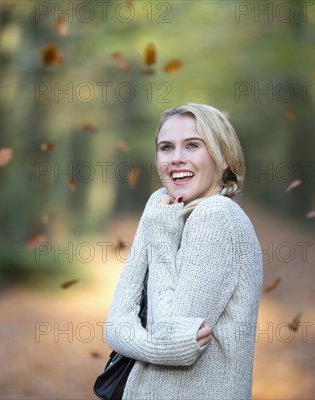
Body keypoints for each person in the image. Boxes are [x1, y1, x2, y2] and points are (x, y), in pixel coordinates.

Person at [104, 103, 263, 399]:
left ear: (225, 157)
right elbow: (114, 326)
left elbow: (170, 337)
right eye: (166, 148)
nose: (176, 158)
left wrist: (162, 236)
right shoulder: (162, 208)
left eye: (192, 145)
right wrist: (157, 346)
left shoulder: (215, 216)